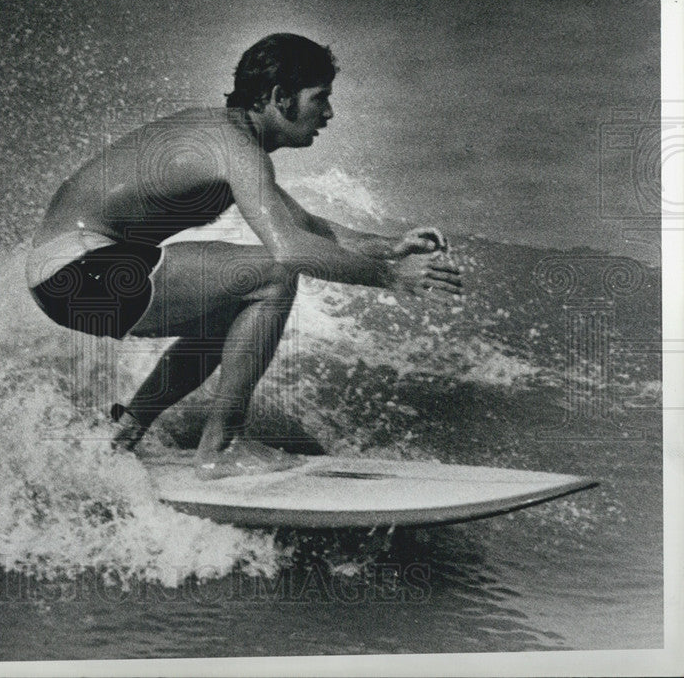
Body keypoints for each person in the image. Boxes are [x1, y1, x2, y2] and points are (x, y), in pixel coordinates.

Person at [26, 33, 462, 478]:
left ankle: (126, 431)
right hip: (79, 272)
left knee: (236, 302)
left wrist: (389, 249)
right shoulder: (232, 146)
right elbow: (290, 250)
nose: (328, 113)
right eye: (320, 98)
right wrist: (392, 279)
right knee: (272, 273)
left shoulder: (229, 138)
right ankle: (219, 448)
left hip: (65, 278)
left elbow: (306, 227)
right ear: (279, 97)